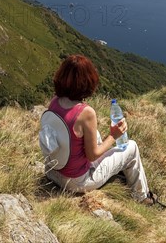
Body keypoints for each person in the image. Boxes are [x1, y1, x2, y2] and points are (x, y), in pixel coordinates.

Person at [44, 54, 159, 205]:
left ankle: (121, 173)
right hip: (76, 182)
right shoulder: (86, 113)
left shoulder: (54, 102)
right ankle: (142, 197)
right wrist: (113, 136)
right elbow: (92, 156)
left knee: (95, 135)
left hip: (52, 171)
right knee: (132, 147)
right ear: (87, 82)